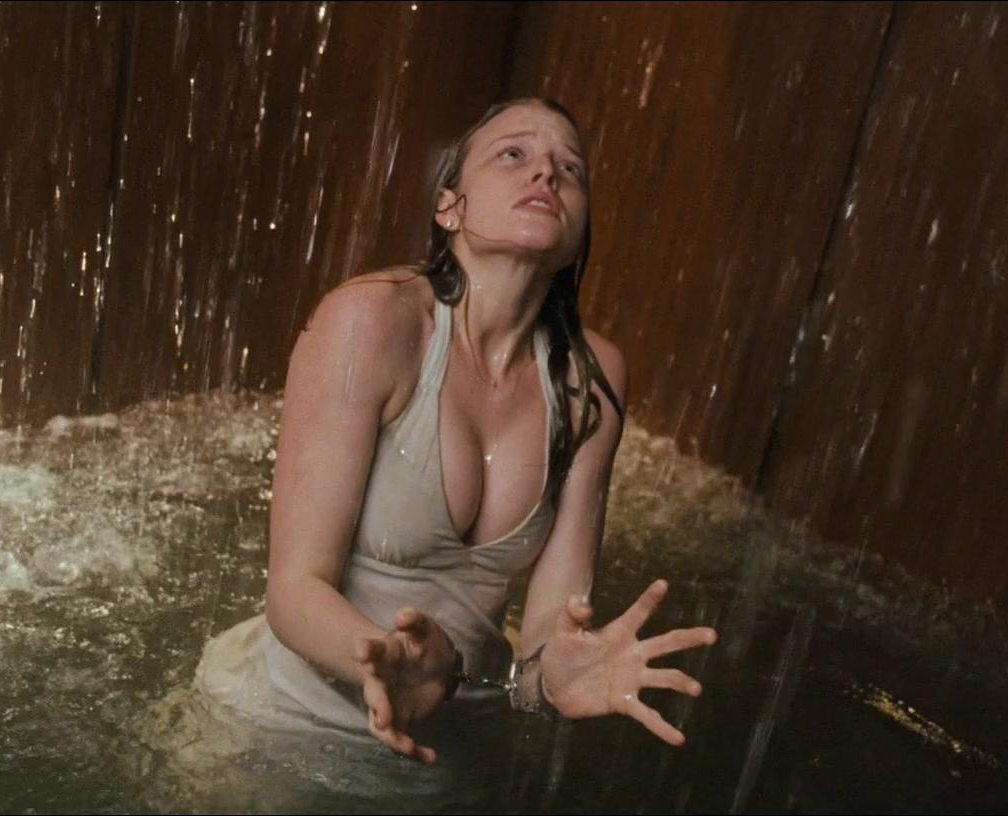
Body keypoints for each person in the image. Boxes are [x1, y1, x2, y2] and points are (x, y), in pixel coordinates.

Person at [191, 98, 718, 776]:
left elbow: (542, 642)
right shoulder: (371, 321)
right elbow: (294, 590)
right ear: (449, 206)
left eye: (570, 169)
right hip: (271, 734)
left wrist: (553, 677)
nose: (545, 174)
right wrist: (388, 659)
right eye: (513, 155)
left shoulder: (591, 380)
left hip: (451, 757)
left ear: (580, 229)